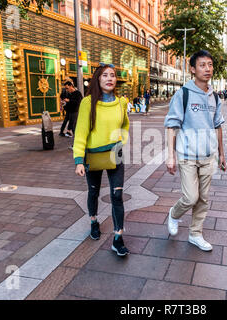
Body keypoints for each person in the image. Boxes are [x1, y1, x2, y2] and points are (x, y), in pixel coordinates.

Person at [164, 50, 226, 252]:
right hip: (188, 155)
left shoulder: (214, 97)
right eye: (202, 65)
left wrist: (222, 154)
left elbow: (218, 126)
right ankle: (174, 214)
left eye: (210, 64)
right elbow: (172, 125)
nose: (207, 69)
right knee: (191, 197)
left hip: (209, 156)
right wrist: (170, 155)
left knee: (203, 198)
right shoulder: (183, 94)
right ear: (192, 69)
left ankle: (195, 234)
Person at [73, 63, 131, 256]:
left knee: (116, 195)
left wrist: (121, 140)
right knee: (93, 192)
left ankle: (118, 237)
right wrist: (78, 160)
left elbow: (125, 125)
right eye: (105, 75)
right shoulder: (88, 102)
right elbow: (80, 133)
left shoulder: (122, 102)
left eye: (112, 75)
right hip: (94, 155)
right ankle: (93, 221)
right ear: (98, 79)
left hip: (116, 154)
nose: (109, 79)